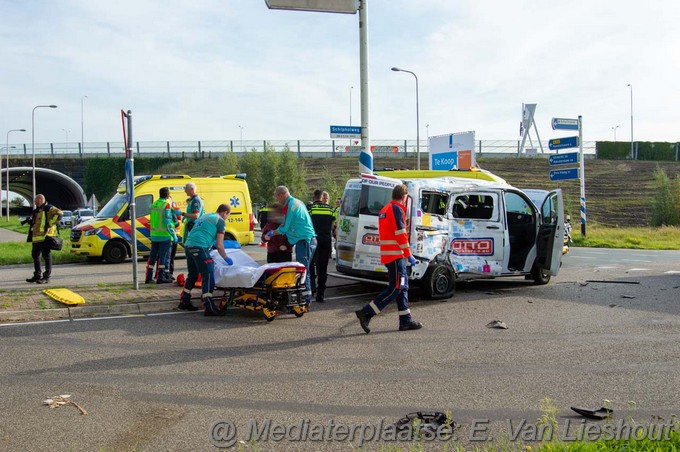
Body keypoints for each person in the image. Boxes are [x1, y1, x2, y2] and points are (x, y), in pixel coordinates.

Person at [355, 184, 423, 333]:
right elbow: (400, 234)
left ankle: (406, 321)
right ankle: (367, 312)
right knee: (396, 288)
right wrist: (408, 254)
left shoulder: (384, 210)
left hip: (390, 255)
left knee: (402, 287)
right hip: (396, 255)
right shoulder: (397, 209)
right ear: (404, 197)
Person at [179, 204, 234, 316]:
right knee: (208, 274)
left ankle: (184, 300)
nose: (227, 217)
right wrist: (226, 258)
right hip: (200, 246)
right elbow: (219, 245)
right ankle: (209, 307)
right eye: (228, 215)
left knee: (193, 274)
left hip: (189, 245)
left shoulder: (206, 216)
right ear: (224, 212)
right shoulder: (220, 221)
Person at [268, 186, 316, 304]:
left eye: (277, 197)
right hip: (306, 239)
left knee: (303, 270)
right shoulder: (297, 202)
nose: (277, 200)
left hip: (304, 240)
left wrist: (273, 233)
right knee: (304, 269)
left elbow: (285, 227)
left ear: (281, 195)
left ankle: (305, 298)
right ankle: (304, 296)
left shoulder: (290, 206)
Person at [25, 194, 63, 284]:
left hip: (45, 237)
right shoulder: (37, 210)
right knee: (35, 256)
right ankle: (37, 275)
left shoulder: (48, 208)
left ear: (40, 200)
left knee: (46, 257)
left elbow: (60, 213)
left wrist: (50, 223)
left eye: (35, 200)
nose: (34, 201)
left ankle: (46, 277)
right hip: (36, 238)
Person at [145, 187, 177, 284]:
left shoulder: (154, 204)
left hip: (154, 235)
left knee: (153, 256)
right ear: (167, 195)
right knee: (164, 257)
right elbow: (167, 221)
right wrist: (174, 235)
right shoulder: (166, 205)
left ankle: (149, 277)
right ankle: (161, 277)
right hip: (165, 235)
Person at [309, 190, 335, 303]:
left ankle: (312, 288)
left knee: (311, 264)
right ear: (322, 197)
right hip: (326, 239)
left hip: (314, 239)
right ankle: (321, 294)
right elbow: (333, 225)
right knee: (323, 267)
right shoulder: (330, 209)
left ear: (314, 197)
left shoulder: (310, 209)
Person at [168, 196, 183, 279]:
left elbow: (179, 219)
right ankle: (167, 273)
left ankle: (170, 273)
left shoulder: (175, 208)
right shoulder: (166, 209)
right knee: (168, 257)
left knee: (171, 257)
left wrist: (174, 210)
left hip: (175, 235)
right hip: (170, 236)